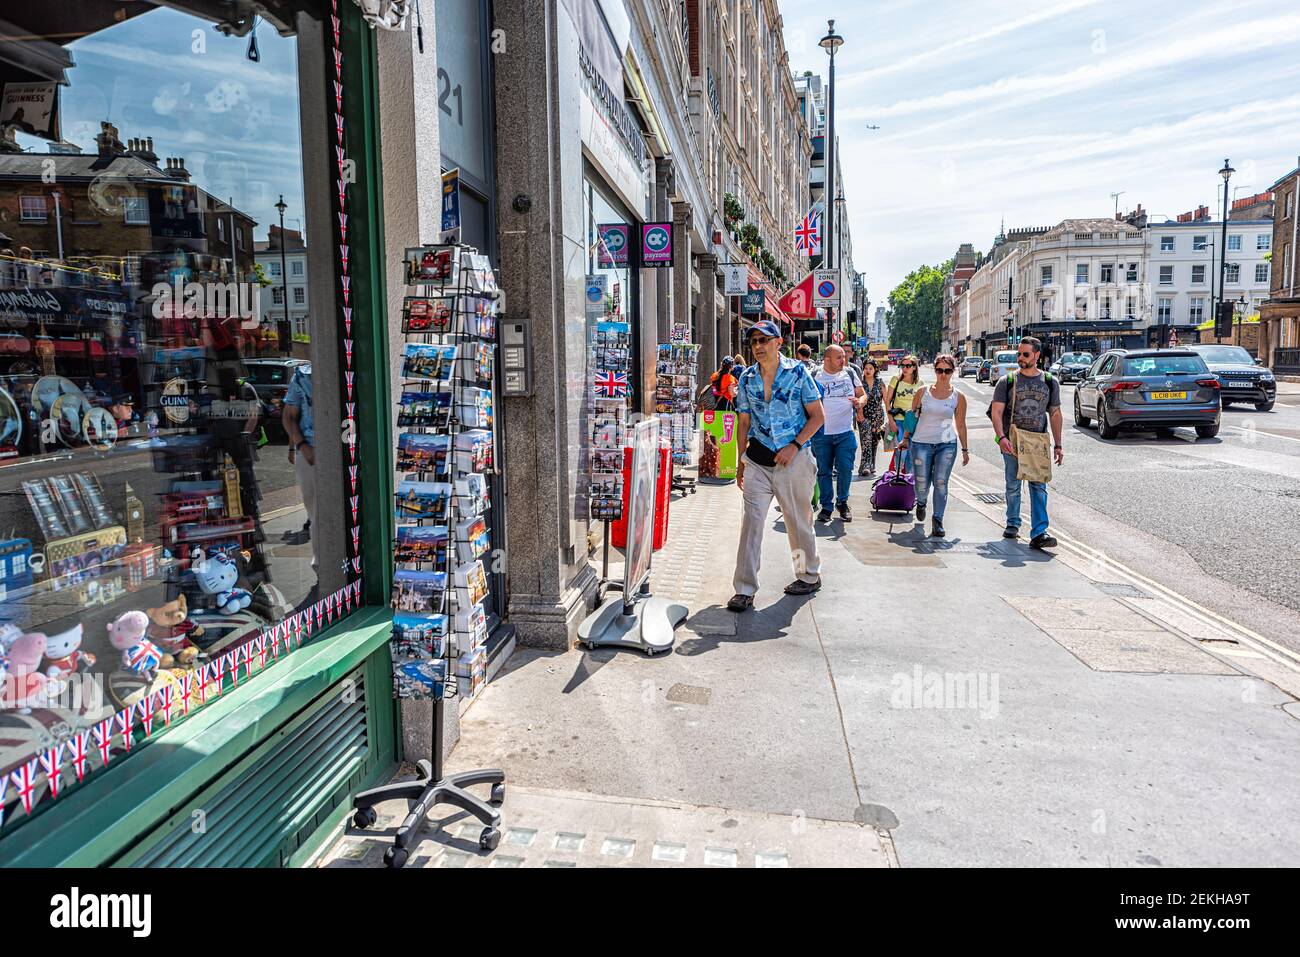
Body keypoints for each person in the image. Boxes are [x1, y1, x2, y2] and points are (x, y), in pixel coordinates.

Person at [727, 319, 825, 612]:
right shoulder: (746, 378)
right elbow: (743, 421)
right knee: (752, 523)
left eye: (763, 340)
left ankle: (807, 575)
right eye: (754, 341)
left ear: (778, 342)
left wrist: (793, 446)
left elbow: (818, 416)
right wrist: (740, 462)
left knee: (797, 522)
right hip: (758, 460)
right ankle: (744, 589)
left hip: (793, 461)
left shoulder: (797, 373)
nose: (758, 346)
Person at [989, 336, 1063, 549]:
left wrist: (1058, 445)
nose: (1020, 358)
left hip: (1037, 443)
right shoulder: (1008, 381)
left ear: (1037, 356)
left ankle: (1039, 532)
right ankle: (1013, 523)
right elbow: (997, 411)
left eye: (1025, 354)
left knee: (1039, 486)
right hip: (1012, 440)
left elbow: (1055, 413)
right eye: (1018, 354)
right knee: (1013, 485)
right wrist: (1001, 437)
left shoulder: (1050, 381)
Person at [898, 353, 969, 537]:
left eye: (947, 371)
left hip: (946, 444)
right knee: (921, 484)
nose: (943, 374)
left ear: (953, 371)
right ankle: (921, 502)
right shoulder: (923, 392)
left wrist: (965, 449)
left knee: (941, 483)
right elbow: (911, 417)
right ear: (935, 370)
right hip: (921, 442)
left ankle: (938, 520)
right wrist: (905, 438)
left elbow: (960, 424)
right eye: (939, 370)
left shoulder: (958, 396)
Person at [811, 344, 865, 523]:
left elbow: (862, 394)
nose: (844, 360)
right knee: (824, 472)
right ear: (827, 360)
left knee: (845, 468)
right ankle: (826, 507)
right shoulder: (814, 375)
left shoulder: (850, 373)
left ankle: (842, 503)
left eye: (844, 356)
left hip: (845, 432)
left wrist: (860, 402)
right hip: (821, 433)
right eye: (839, 357)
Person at [283, 363, 318, 569]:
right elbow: (289, 416)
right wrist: (301, 447)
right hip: (310, 451)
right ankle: (321, 561)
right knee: (315, 512)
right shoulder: (301, 376)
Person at [883, 354, 923, 473]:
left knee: (912, 452)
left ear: (914, 367)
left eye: (908, 365)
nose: (905, 368)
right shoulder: (896, 379)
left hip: (913, 422)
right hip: (899, 421)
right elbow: (887, 401)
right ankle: (897, 475)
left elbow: (921, 405)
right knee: (902, 450)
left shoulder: (920, 383)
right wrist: (891, 421)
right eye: (903, 365)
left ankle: (909, 480)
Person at [856, 358, 886, 476]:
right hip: (864, 415)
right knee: (866, 439)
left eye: (870, 369)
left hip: (877, 416)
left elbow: (886, 400)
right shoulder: (860, 383)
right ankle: (865, 466)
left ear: (875, 370)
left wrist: (890, 417)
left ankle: (872, 464)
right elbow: (858, 399)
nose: (868, 371)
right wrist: (859, 413)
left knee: (874, 441)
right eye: (866, 368)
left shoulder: (880, 382)